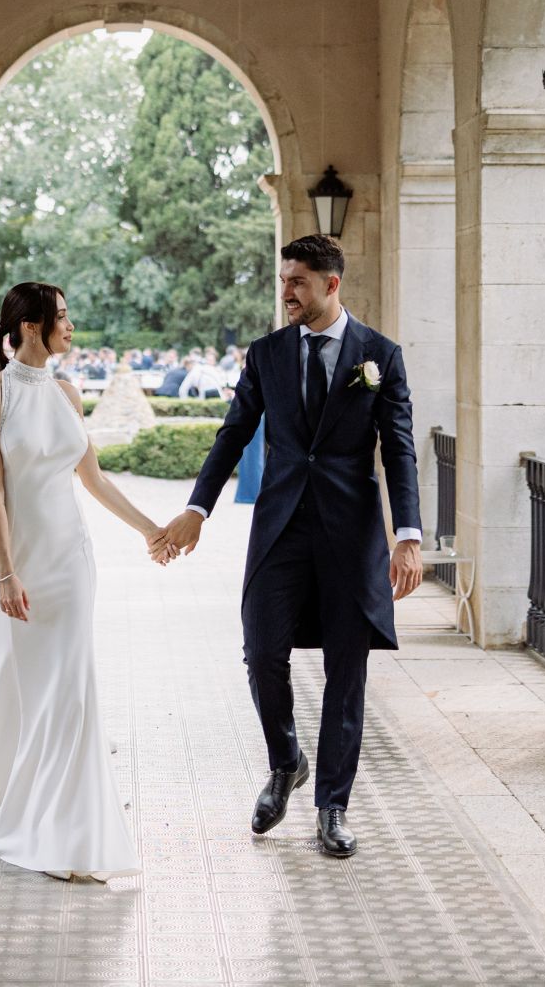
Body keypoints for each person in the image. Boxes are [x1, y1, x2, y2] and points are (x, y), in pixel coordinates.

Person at [157, 235, 422, 859]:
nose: (286, 293)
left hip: (351, 534)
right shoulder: (267, 354)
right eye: (283, 280)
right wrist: (198, 509)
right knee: (262, 650)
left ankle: (333, 807)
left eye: (298, 281)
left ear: (332, 285)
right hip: (278, 529)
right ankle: (286, 761)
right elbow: (233, 434)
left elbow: (401, 448)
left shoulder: (379, 355)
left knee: (346, 672)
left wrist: (406, 536)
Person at [0, 281, 177, 882]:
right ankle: (35, 818)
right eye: (61, 318)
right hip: (24, 564)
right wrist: (5, 571)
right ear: (25, 328)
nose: (71, 327)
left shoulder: (69, 394)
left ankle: (70, 831)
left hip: (72, 563)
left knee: (71, 692)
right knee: (35, 691)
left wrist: (154, 530)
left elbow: (93, 480)